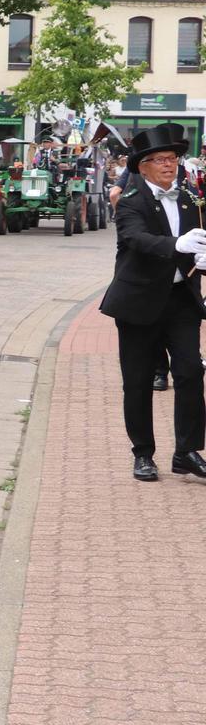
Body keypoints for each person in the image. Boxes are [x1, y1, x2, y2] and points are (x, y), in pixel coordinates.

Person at [101, 124, 206, 482]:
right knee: (139, 380)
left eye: (172, 158)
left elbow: (199, 239)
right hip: (139, 300)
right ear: (142, 166)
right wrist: (177, 245)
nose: (168, 165)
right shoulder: (131, 202)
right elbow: (136, 238)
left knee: (191, 370)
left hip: (181, 299)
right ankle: (143, 453)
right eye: (159, 159)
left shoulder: (191, 198)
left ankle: (187, 452)